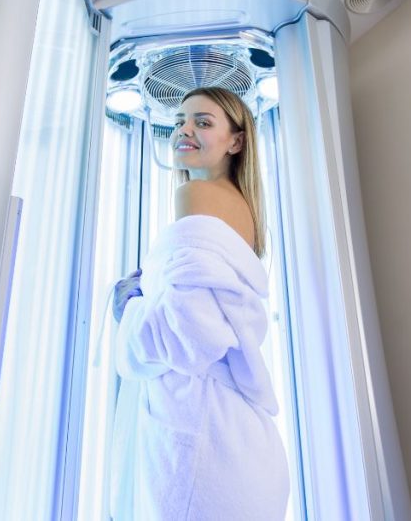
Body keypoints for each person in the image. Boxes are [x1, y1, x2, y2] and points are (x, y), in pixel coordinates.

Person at [109, 86, 289, 520]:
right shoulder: (242, 211)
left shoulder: (196, 195)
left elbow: (190, 335)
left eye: (202, 122)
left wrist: (129, 310)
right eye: (179, 122)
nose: (183, 130)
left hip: (201, 445)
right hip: (233, 442)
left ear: (236, 141)